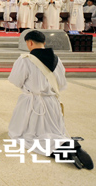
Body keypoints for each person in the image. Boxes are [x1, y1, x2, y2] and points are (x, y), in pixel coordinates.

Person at [8, 30, 93, 169]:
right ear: (44, 43)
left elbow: (16, 80)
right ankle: (73, 148)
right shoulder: (57, 60)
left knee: (29, 137)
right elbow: (61, 83)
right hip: (52, 103)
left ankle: (66, 152)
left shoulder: (25, 59)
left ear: (29, 43)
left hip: (33, 104)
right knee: (54, 133)